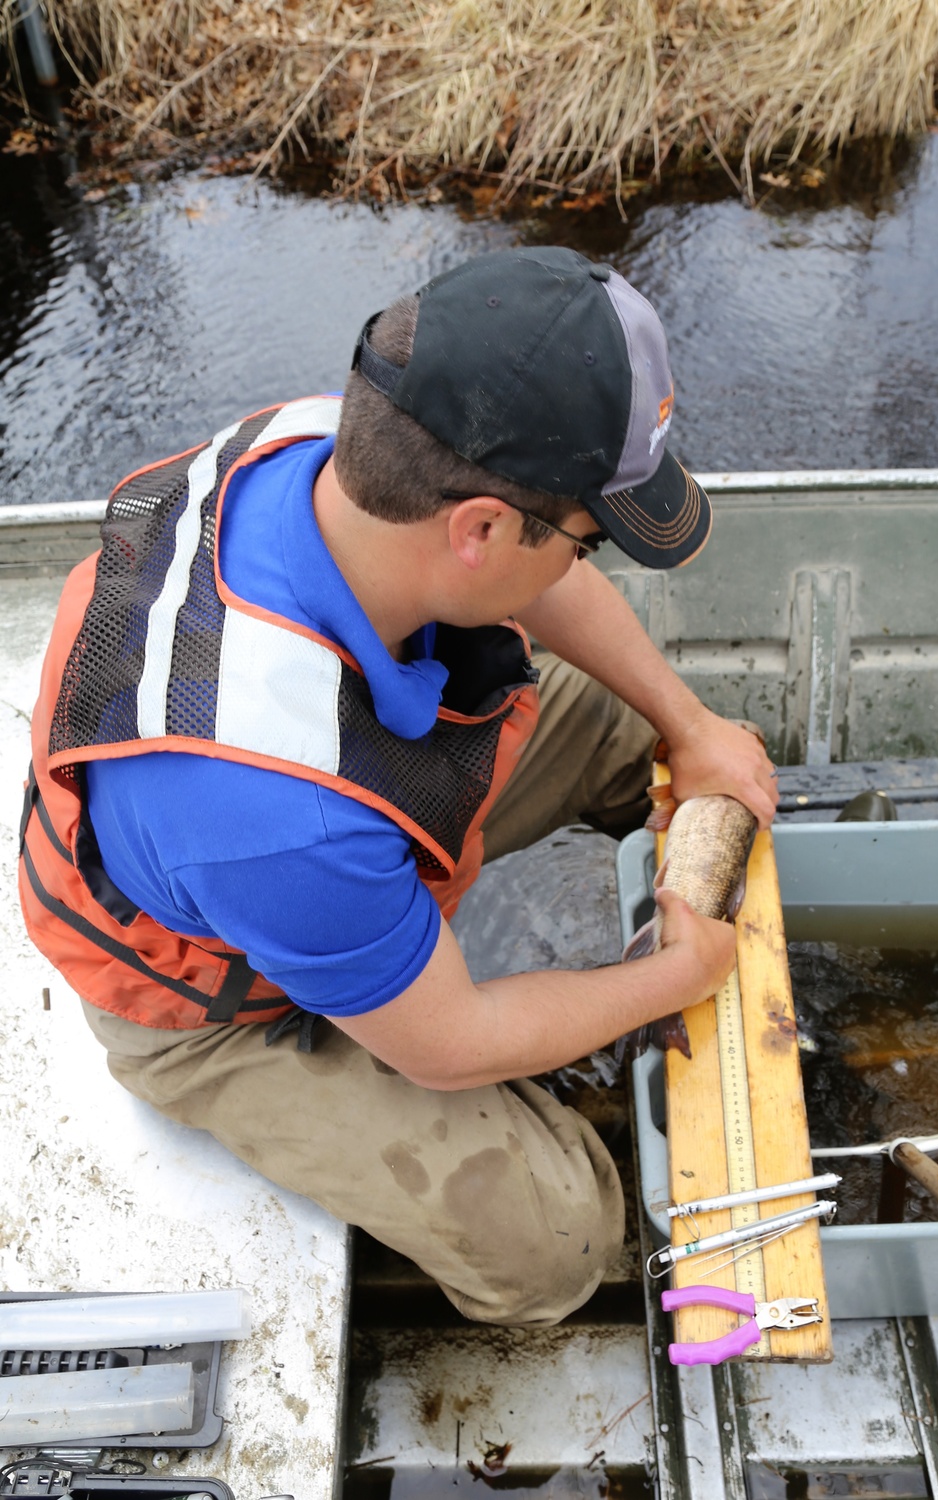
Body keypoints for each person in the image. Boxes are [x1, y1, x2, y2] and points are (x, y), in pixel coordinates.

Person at [19, 246, 777, 1327]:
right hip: (215, 998)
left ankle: (404, 939)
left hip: (316, 813)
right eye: (588, 537)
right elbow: (448, 1041)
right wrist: (674, 976)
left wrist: (690, 729)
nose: (588, 562)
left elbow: (534, 586)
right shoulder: (276, 819)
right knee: (558, 1245)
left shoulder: (347, 446)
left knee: (629, 729)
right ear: (476, 530)